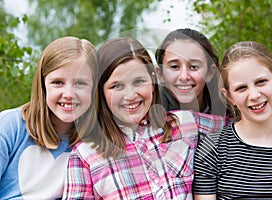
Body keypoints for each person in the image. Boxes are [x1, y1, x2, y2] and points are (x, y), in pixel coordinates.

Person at [62, 37, 225, 199]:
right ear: (101, 90)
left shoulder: (184, 124)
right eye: (117, 86)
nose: (131, 95)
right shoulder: (85, 155)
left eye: (139, 81)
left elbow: (239, 127)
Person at [193, 41, 272, 199]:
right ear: (229, 96)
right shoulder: (213, 148)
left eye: (261, 82)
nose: (254, 95)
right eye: (241, 88)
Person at [0, 36, 99, 199]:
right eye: (58, 82)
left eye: (80, 83)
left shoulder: (94, 141)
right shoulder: (11, 126)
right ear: (43, 85)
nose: (69, 94)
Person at [155, 28, 226, 116]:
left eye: (193, 67)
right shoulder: (148, 110)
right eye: (174, 67)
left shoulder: (229, 109)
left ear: (210, 73)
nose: (184, 77)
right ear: (160, 74)